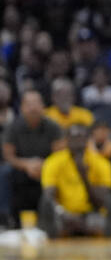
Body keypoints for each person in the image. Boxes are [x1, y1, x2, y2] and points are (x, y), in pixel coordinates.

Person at [39, 123, 111, 238]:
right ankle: (58, 229)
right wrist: (63, 213)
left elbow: (102, 200)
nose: (77, 142)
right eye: (74, 138)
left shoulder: (101, 163)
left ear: (88, 140)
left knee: (110, 204)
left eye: (81, 138)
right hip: (64, 214)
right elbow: (49, 195)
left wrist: (84, 177)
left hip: (91, 213)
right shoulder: (53, 162)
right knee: (47, 205)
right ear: (66, 140)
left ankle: (100, 229)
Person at [2, 89, 65, 225]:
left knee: (64, 171)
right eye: (29, 104)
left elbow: (60, 154)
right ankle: (6, 218)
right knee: (5, 172)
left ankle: (59, 216)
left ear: (43, 106)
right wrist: (27, 164)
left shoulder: (53, 127)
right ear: (22, 108)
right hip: (21, 168)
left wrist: (45, 166)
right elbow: (8, 156)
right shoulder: (13, 127)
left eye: (36, 103)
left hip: (48, 168)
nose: (33, 108)